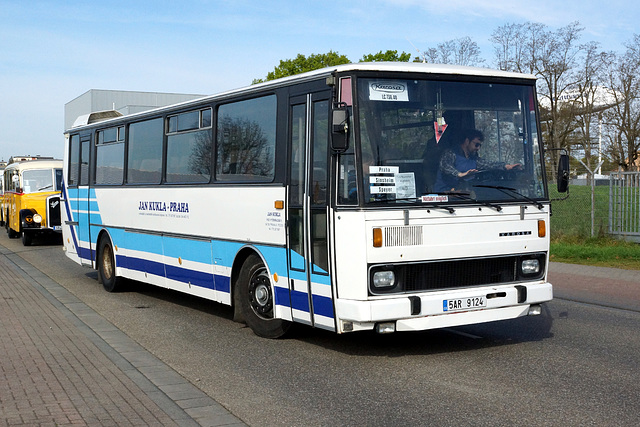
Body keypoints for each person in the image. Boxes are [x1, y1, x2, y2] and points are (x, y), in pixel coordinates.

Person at [433, 129, 521, 192]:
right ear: (467, 141)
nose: (478, 148)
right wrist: (459, 174)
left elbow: (488, 164)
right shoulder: (451, 153)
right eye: (476, 144)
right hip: (444, 197)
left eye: (480, 145)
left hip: (464, 196)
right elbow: (445, 166)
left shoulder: (474, 159)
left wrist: (506, 166)